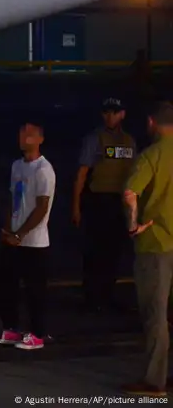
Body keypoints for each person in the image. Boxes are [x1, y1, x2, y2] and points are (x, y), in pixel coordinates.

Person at [120, 102, 173, 397]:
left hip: (157, 245)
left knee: (156, 313)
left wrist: (133, 225)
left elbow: (130, 193)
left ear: (151, 122)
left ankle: (155, 382)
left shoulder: (151, 155)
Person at [0, 121, 54, 351]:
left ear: (40, 139)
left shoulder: (43, 170)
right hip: (14, 240)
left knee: (35, 290)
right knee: (6, 285)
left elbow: (42, 207)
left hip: (35, 243)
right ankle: (10, 328)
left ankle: (38, 334)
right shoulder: (17, 166)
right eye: (21, 134)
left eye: (29, 135)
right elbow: (13, 199)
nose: (23, 138)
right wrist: (9, 230)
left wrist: (21, 234)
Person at [75, 97, 136, 312]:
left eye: (115, 112)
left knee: (114, 251)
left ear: (122, 114)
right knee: (95, 252)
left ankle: (107, 296)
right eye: (107, 112)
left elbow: (135, 174)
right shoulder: (95, 138)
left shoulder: (129, 141)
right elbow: (82, 174)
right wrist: (76, 206)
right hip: (98, 201)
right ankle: (92, 298)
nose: (110, 116)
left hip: (119, 202)